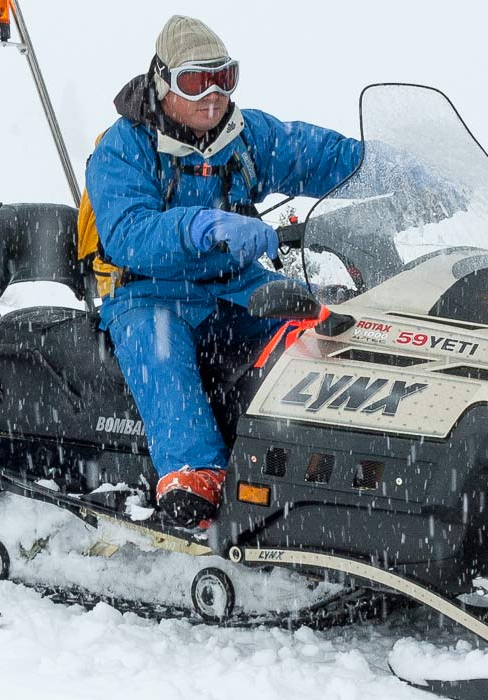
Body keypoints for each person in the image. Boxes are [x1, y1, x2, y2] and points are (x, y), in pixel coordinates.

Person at [82, 16, 364, 528]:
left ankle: (322, 455)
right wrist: (203, 225)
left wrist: (384, 167)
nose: (213, 96)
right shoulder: (123, 146)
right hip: (149, 293)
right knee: (161, 355)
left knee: (317, 328)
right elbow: (128, 234)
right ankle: (196, 476)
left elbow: (315, 155)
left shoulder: (244, 135)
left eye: (225, 79)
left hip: (236, 283)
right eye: (195, 81)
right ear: (163, 81)